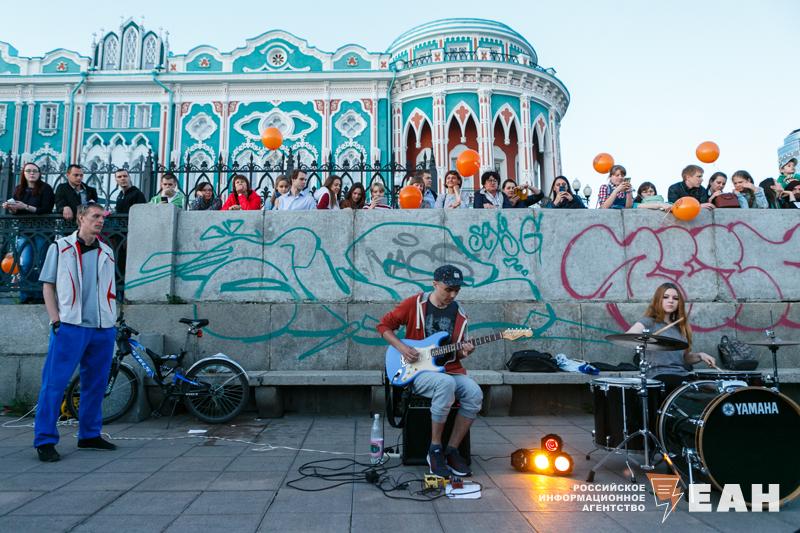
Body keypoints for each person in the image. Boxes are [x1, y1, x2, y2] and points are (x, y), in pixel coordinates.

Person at [376, 264, 479, 478]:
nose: (453, 295)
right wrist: (402, 348)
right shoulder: (415, 304)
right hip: (417, 372)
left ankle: (452, 450)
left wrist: (464, 352)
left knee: (474, 393)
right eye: (448, 289)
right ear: (435, 284)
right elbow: (384, 326)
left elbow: (455, 354)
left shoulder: (460, 314)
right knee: (445, 384)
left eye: (457, 290)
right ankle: (435, 450)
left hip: (447, 370)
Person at [34, 203, 118, 462]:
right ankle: (45, 440)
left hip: (102, 328)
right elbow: (48, 286)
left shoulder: (107, 251)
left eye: (102, 217)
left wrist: (112, 320)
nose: (100, 221)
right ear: (81, 218)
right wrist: (56, 320)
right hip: (70, 326)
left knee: (96, 384)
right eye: (95, 216)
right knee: (54, 383)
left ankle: (89, 435)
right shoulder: (60, 247)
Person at [625, 283, 715, 394]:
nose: (671, 301)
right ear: (658, 300)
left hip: (681, 374)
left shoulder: (681, 327)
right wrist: (645, 339)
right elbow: (629, 337)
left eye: (675, 298)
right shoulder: (649, 322)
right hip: (658, 375)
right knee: (686, 387)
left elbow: (684, 358)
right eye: (666, 297)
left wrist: (701, 355)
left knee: (712, 388)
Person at [2, 162, 56, 302]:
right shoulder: (19, 189)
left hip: (43, 230)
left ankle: (41, 295)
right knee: (26, 263)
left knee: (41, 262)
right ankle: (26, 295)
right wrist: (12, 208)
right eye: (28, 171)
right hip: (24, 230)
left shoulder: (46, 188)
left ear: (39, 173)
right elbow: (17, 213)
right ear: (24, 174)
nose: (32, 173)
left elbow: (46, 209)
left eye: (35, 171)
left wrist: (25, 206)